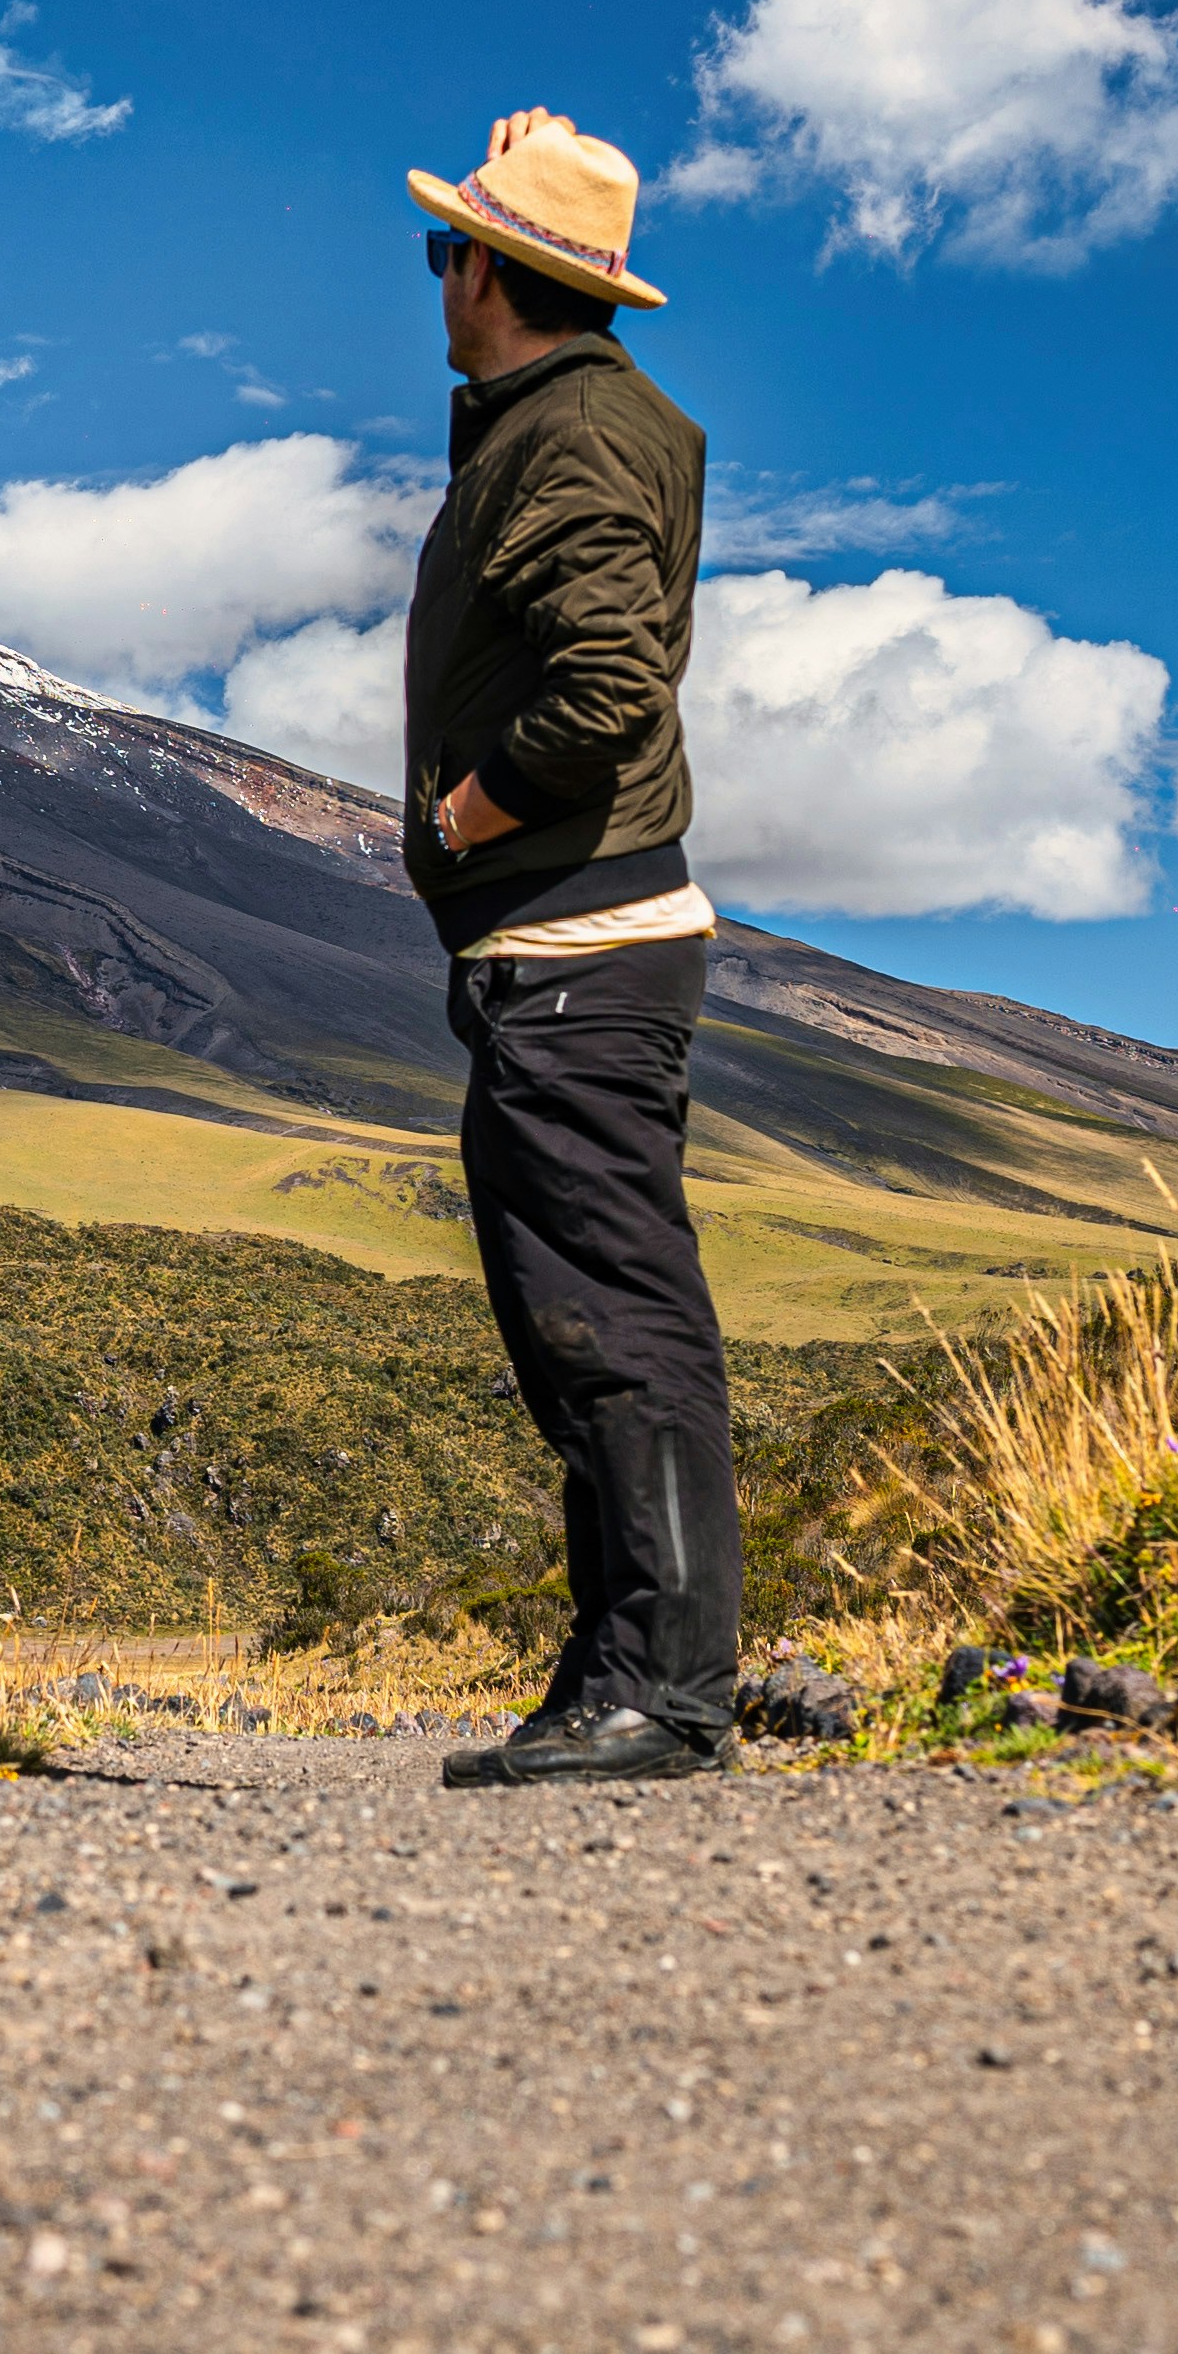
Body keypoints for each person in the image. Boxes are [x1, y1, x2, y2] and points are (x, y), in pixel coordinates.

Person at [397, 110, 744, 1788]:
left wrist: (467, 810)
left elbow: (610, 682)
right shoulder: (575, 417)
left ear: (499, 274)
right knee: (574, 1310)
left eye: (448, 248)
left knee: (607, 1310)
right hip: (573, 943)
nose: (437, 277)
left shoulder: (576, 441)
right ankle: (615, 1662)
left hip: (575, 942)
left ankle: (664, 1689)